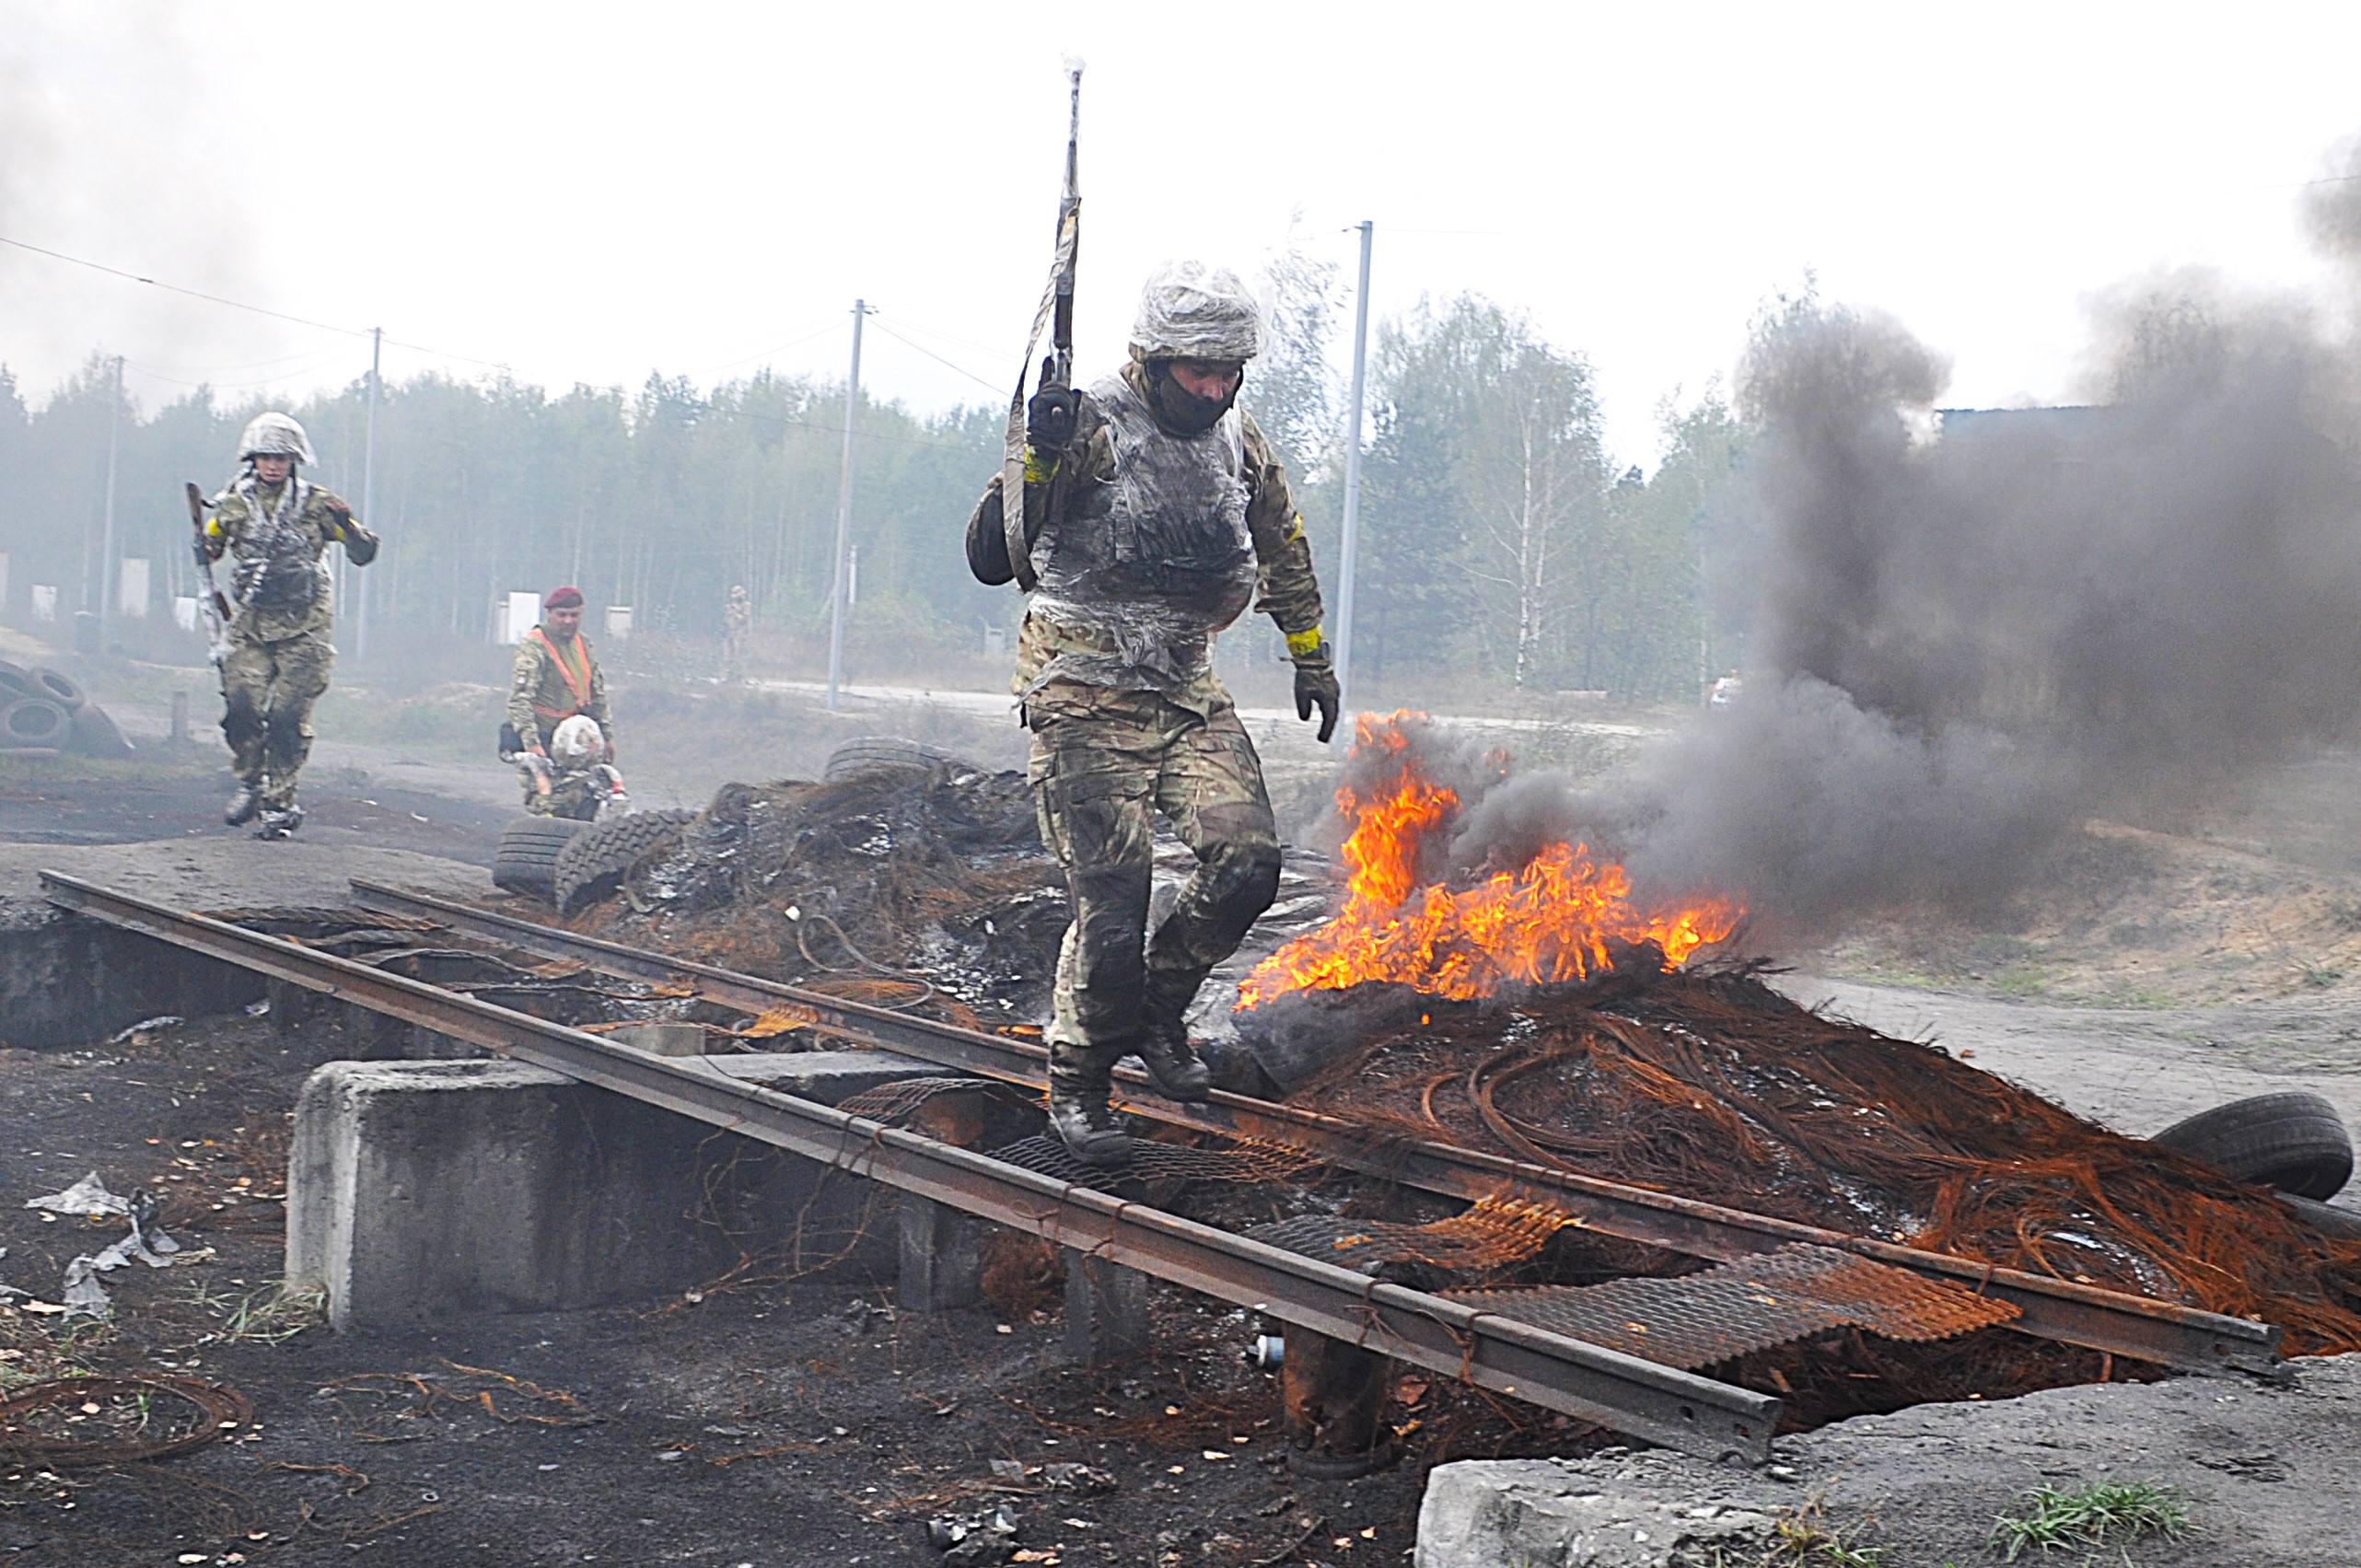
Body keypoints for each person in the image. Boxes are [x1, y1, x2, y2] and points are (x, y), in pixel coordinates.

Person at [965, 261, 1339, 1165]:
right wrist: (1037, 456)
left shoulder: (1235, 440)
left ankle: (1157, 1011)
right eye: (1196, 372)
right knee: (1113, 899)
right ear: (1154, 358)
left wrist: (1309, 653)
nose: (1213, 389)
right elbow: (989, 553)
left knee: (1247, 864)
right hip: (1079, 693)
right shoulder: (1087, 422)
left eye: (1227, 372)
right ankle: (1080, 1081)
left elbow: (1279, 537)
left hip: (1183, 689)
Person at [204, 412, 378, 838]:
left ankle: (280, 803)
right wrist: (203, 544)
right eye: (266, 456)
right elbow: (211, 547)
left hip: (305, 626)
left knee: (286, 718)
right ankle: (250, 778)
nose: (274, 465)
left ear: (294, 459)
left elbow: (364, 552)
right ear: (253, 459)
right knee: (242, 707)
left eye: (282, 457)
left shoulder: (318, 504)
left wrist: (349, 524)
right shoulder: (232, 504)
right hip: (250, 623)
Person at [507, 587, 614, 791]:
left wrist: (607, 736)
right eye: (561, 615)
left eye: (574, 615)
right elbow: (519, 700)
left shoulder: (583, 644)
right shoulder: (535, 646)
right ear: (550, 614)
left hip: (581, 738)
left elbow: (597, 693)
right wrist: (532, 744)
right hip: (547, 738)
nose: (568, 621)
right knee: (550, 800)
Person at [721, 583, 751, 682]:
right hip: (730, 633)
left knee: (739, 656)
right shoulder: (731, 606)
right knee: (727, 655)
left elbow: (743, 620)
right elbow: (727, 621)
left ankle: (739, 676)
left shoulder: (746, 606)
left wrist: (735, 613)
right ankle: (728, 676)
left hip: (740, 634)